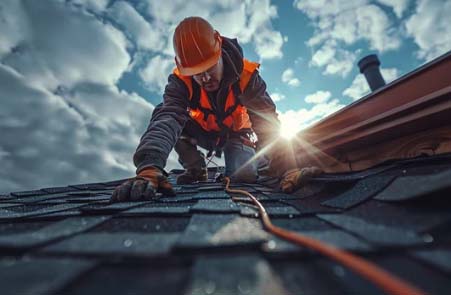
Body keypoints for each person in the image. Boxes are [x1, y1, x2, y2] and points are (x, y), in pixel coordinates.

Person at [111, 17, 297, 202]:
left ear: (220, 50)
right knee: (167, 115)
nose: (205, 78)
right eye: (197, 73)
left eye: (210, 67)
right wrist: (149, 166)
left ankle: (258, 163)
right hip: (204, 134)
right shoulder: (179, 84)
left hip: (236, 134)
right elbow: (167, 118)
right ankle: (196, 169)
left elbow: (267, 122)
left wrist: (287, 167)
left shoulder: (247, 78)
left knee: (244, 176)